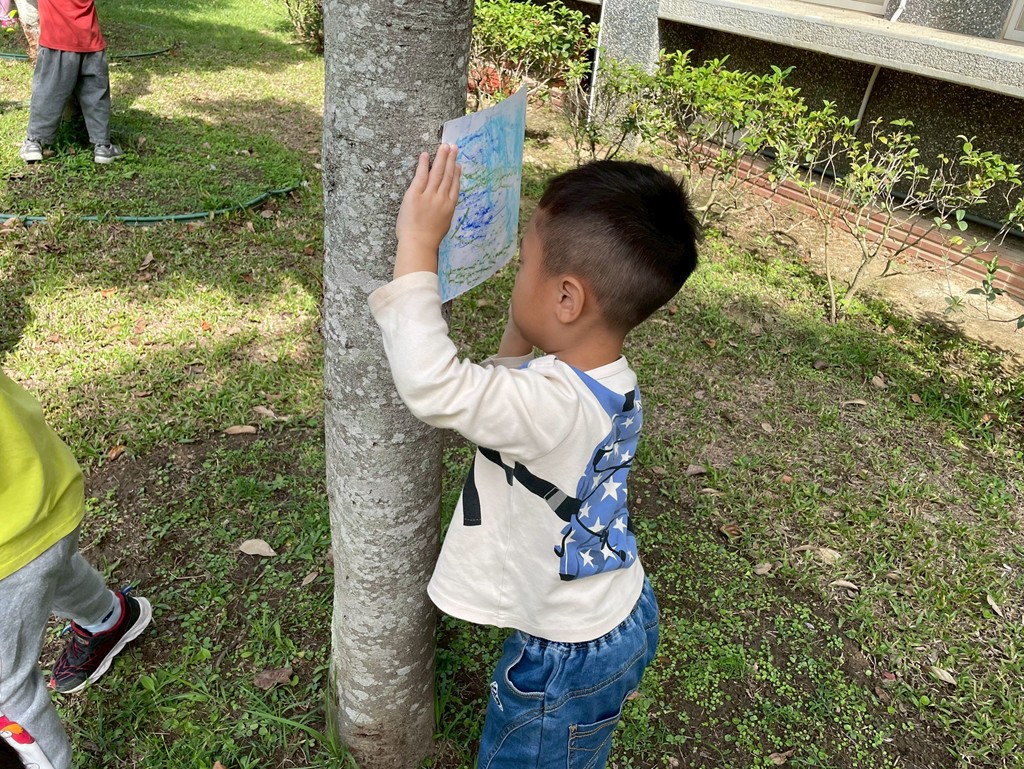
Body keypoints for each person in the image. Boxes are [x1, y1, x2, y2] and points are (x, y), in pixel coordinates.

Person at [369, 145, 700, 768]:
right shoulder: (607, 381)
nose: (517, 272)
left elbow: (434, 385)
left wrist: (417, 242)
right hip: (620, 610)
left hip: (565, 658)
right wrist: (524, 326)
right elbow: (511, 401)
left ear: (568, 299)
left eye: (524, 263)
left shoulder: (553, 405)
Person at [0, 371, 151, 769]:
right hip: (44, 484)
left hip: (8, 544)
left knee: (4, 690)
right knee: (49, 572)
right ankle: (108, 618)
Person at [19, 0, 122, 164]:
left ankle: (34, 143)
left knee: (48, 92)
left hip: (57, 43)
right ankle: (102, 146)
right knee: (96, 98)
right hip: (91, 43)